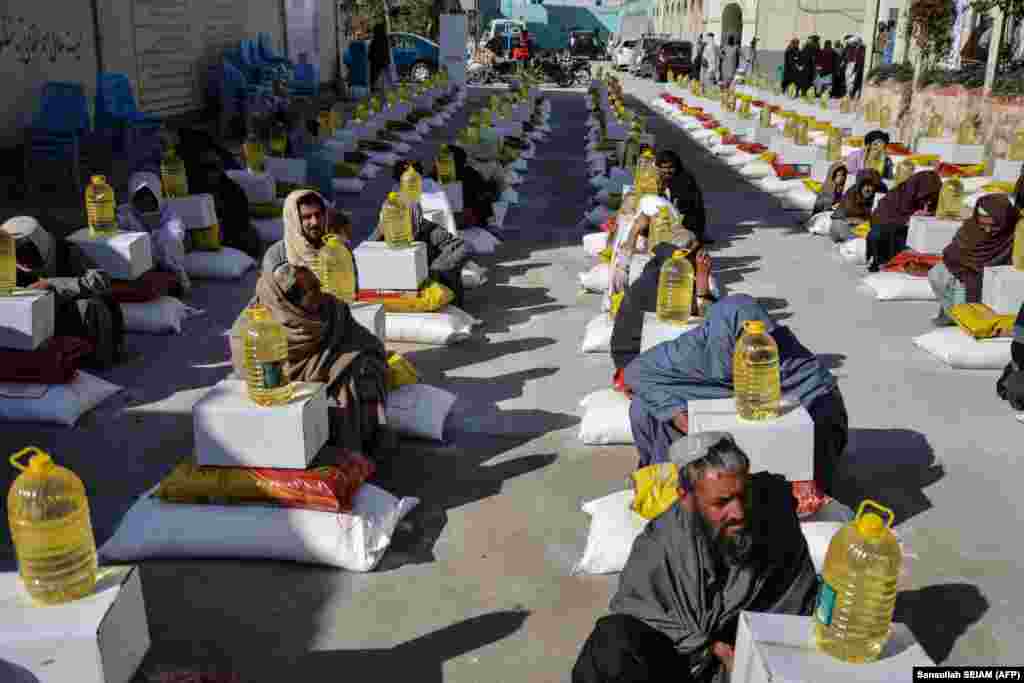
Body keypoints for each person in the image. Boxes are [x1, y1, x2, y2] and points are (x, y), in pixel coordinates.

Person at [572, 432, 819, 683]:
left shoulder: (773, 520)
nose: (738, 512)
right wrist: (712, 648)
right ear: (686, 498)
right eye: (721, 502)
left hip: (755, 659)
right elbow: (640, 615)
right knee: (611, 643)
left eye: (743, 496)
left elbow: (796, 604)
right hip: (683, 665)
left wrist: (750, 660)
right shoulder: (660, 546)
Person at [623, 294, 848, 494]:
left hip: (794, 421)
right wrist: (679, 416)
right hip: (732, 414)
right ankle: (664, 483)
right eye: (741, 339)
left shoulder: (788, 357)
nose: (751, 349)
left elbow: (816, 397)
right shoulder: (695, 349)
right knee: (644, 407)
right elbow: (634, 372)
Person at [233, 259, 392, 456]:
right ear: (290, 303)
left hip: (336, 378)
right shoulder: (251, 330)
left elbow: (367, 342)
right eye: (313, 290)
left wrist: (353, 366)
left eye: (318, 285)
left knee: (358, 382)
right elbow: (252, 372)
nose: (322, 291)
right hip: (288, 393)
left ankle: (352, 451)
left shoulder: (333, 310)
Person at [2, 216, 124, 368]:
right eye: (15, 254)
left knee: (92, 306)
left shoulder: (67, 251)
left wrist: (53, 285)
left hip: (72, 321)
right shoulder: (7, 265)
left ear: (40, 244)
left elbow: (100, 281)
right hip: (35, 328)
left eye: (25, 252)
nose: (22, 260)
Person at [611, 228, 715, 379]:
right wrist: (702, 283)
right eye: (699, 252)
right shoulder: (670, 280)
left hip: (640, 354)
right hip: (635, 361)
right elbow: (706, 321)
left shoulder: (659, 268)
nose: (703, 257)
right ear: (690, 254)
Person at [370, 159, 468, 307]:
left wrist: (435, 270)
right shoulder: (383, 233)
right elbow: (366, 252)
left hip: (433, 285)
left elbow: (461, 248)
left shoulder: (429, 230)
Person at [930, 194, 1020, 326]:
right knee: (937, 273)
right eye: (983, 225)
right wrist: (964, 272)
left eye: (994, 226)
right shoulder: (969, 230)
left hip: (996, 284)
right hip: (966, 276)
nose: (988, 230)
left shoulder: (1015, 232)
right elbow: (952, 254)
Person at [116, 171, 191, 297]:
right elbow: (119, 233)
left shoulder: (168, 211)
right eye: (140, 196)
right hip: (140, 267)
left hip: (166, 264)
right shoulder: (125, 213)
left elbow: (174, 232)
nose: (145, 201)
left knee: (170, 242)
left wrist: (154, 239)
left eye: (149, 196)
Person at [190, 148, 264, 260]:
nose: (211, 172)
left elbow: (241, 222)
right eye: (206, 167)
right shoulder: (192, 189)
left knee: (251, 237)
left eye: (214, 167)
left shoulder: (233, 189)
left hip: (231, 236)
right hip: (200, 238)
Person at [867, 170, 942, 271]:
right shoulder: (896, 196)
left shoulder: (932, 199)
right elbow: (880, 218)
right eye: (925, 196)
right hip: (888, 235)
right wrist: (909, 219)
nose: (928, 202)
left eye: (931, 197)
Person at [655, 149, 708, 243]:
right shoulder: (657, 177)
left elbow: (682, 207)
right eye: (664, 167)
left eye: (671, 167)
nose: (667, 171)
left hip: (685, 221)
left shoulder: (684, 180)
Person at [829, 168, 884, 242]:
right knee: (837, 226)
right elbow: (839, 215)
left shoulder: (880, 195)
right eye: (864, 185)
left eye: (870, 186)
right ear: (860, 186)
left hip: (869, 229)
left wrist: (863, 222)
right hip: (851, 228)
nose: (867, 189)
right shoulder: (852, 193)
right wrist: (850, 220)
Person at [369, 22, 392, 91]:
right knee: (384, 78)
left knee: (375, 76)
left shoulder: (375, 39)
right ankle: (384, 89)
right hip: (384, 62)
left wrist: (370, 57)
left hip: (376, 62)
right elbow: (387, 51)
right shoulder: (385, 39)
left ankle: (375, 88)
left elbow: (371, 51)